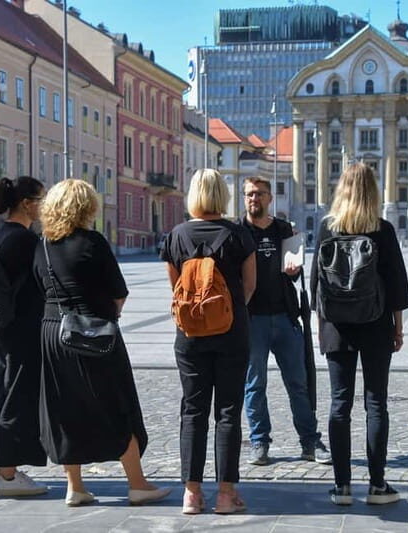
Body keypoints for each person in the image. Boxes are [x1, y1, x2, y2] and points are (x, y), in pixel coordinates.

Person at [33, 179, 168, 507]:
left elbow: (39, 287)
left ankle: (75, 486)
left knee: (64, 407)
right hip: (92, 332)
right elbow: (118, 293)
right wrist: (105, 316)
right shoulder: (92, 242)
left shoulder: (43, 245)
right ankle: (137, 483)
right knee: (117, 403)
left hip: (53, 332)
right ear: (86, 207)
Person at [310, 163, 408, 506]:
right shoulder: (382, 230)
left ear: (341, 189)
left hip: (337, 327)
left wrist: (320, 326)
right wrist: (397, 326)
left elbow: (315, 285)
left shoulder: (327, 228)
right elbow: (397, 284)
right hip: (375, 324)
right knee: (375, 403)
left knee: (340, 404)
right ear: (373, 191)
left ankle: (341, 487)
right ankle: (377, 485)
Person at [160, 169, 256, 515]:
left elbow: (175, 288)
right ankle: (227, 495)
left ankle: (191, 493)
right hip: (231, 331)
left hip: (189, 335)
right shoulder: (239, 235)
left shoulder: (177, 235)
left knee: (193, 408)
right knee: (228, 409)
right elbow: (248, 287)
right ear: (223, 195)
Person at [239, 176, 331, 466]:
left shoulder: (284, 230)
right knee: (254, 385)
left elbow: (295, 270)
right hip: (252, 319)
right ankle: (259, 442)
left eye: (260, 194)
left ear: (269, 198)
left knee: (298, 382)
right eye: (250, 194)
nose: (254, 199)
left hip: (284, 315)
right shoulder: (237, 232)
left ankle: (310, 441)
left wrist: (294, 270)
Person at [0, 176, 48, 497]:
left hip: (5, 329)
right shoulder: (23, 241)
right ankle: (7, 476)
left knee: (6, 393)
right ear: (27, 204)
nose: (45, 205)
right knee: (16, 397)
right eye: (42, 199)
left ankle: (6, 470)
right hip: (23, 329)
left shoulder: (1, 235)